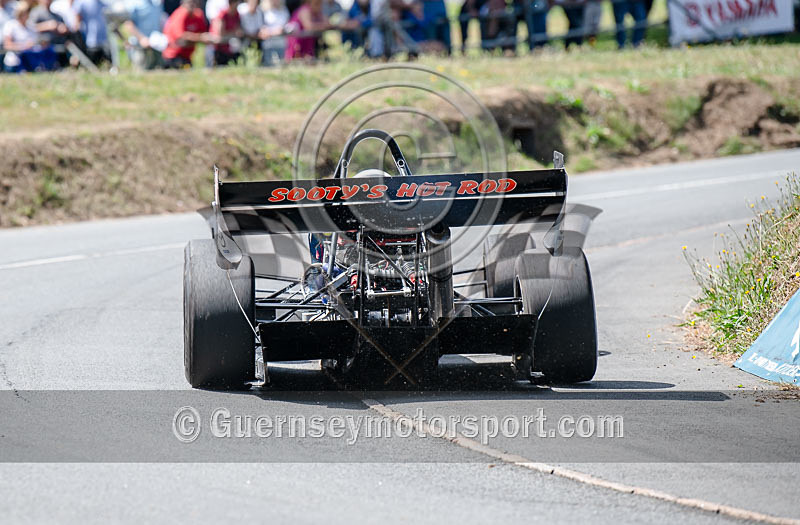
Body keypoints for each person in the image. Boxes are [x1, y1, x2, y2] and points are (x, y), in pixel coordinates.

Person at [3, 1, 58, 71]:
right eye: (25, 12)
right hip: (14, 63)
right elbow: (7, 45)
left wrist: (41, 44)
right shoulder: (10, 25)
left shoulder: (31, 27)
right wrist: (23, 46)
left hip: (30, 62)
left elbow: (35, 43)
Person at [161, 0, 211, 67]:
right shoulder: (180, 14)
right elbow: (181, 37)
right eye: (190, 2)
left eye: (195, 2)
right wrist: (199, 38)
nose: (192, 5)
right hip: (173, 57)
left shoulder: (198, 14)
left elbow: (203, 33)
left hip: (187, 56)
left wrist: (196, 38)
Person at [123, 0, 166, 69]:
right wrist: (141, 38)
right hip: (140, 46)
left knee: (160, 72)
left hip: (157, 46)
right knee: (141, 73)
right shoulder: (133, 3)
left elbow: (161, 21)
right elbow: (128, 23)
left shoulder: (156, 3)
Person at [28, 0, 70, 66]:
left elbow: (65, 28)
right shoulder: (35, 12)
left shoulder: (56, 15)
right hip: (42, 45)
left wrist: (62, 28)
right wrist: (47, 26)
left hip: (57, 44)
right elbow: (30, 27)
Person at [210, 0, 243, 65]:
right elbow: (220, 33)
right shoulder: (223, 14)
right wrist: (234, 33)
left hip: (230, 47)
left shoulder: (237, 14)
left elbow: (238, 29)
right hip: (219, 47)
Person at [259, 0, 287, 65]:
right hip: (268, 45)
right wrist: (276, 32)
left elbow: (286, 25)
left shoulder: (284, 10)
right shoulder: (263, 10)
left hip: (281, 44)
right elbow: (261, 30)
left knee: (281, 66)